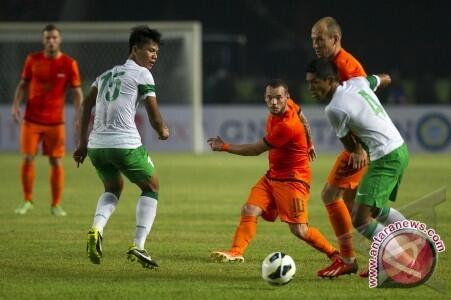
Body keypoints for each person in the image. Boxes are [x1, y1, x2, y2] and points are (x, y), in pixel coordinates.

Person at [208, 79, 338, 268]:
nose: (274, 102)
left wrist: (224, 146)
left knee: (300, 230)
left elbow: (255, 150)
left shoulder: (286, 126)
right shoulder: (292, 107)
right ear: (265, 98)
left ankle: (335, 254)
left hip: (294, 180)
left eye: (278, 98)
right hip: (274, 176)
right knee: (249, 210)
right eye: (270, 98)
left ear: (287, 97)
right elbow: (304, 117)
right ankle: (236, 252)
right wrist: (309, 143)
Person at [73, 26, 169, 269]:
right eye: (150, 50)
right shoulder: (142, 75)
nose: (154, 56)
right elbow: (154, 114)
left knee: (113, 187)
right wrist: (162, 130)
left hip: (97, 146)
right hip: (123, 143)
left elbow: (85, 106)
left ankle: (96, 228)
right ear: (135, 49)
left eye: (156, 52)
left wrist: (82, 143)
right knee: (152, 187)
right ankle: (138, 244)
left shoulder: (103, 76)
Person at [306, 58, 412, 277]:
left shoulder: (334, 109)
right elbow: (383, 78)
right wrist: (382, 81)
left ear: (329, 80)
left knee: (360, 219)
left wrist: (356, 150)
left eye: (315, 83)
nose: (311, 88)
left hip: (386, 157)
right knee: (373, 209)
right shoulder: (357, 83)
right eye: (308, 83)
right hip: (398, 149)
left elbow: (351, 146)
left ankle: (402, 260)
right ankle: (413, 237)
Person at [11, 24, 83, 217]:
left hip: (55, 122)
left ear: (59, 40)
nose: (51, 41)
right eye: (48, 38)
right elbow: (23, 84)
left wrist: (79, 114)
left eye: (54, 37)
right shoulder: (32, 60)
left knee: (56, 161)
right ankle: (27, 200)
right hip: (31, 120)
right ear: (43, 40)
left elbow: (77, 91)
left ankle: (56, 204)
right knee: (27, 157)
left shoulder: (69, 64)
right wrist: (16, 105)